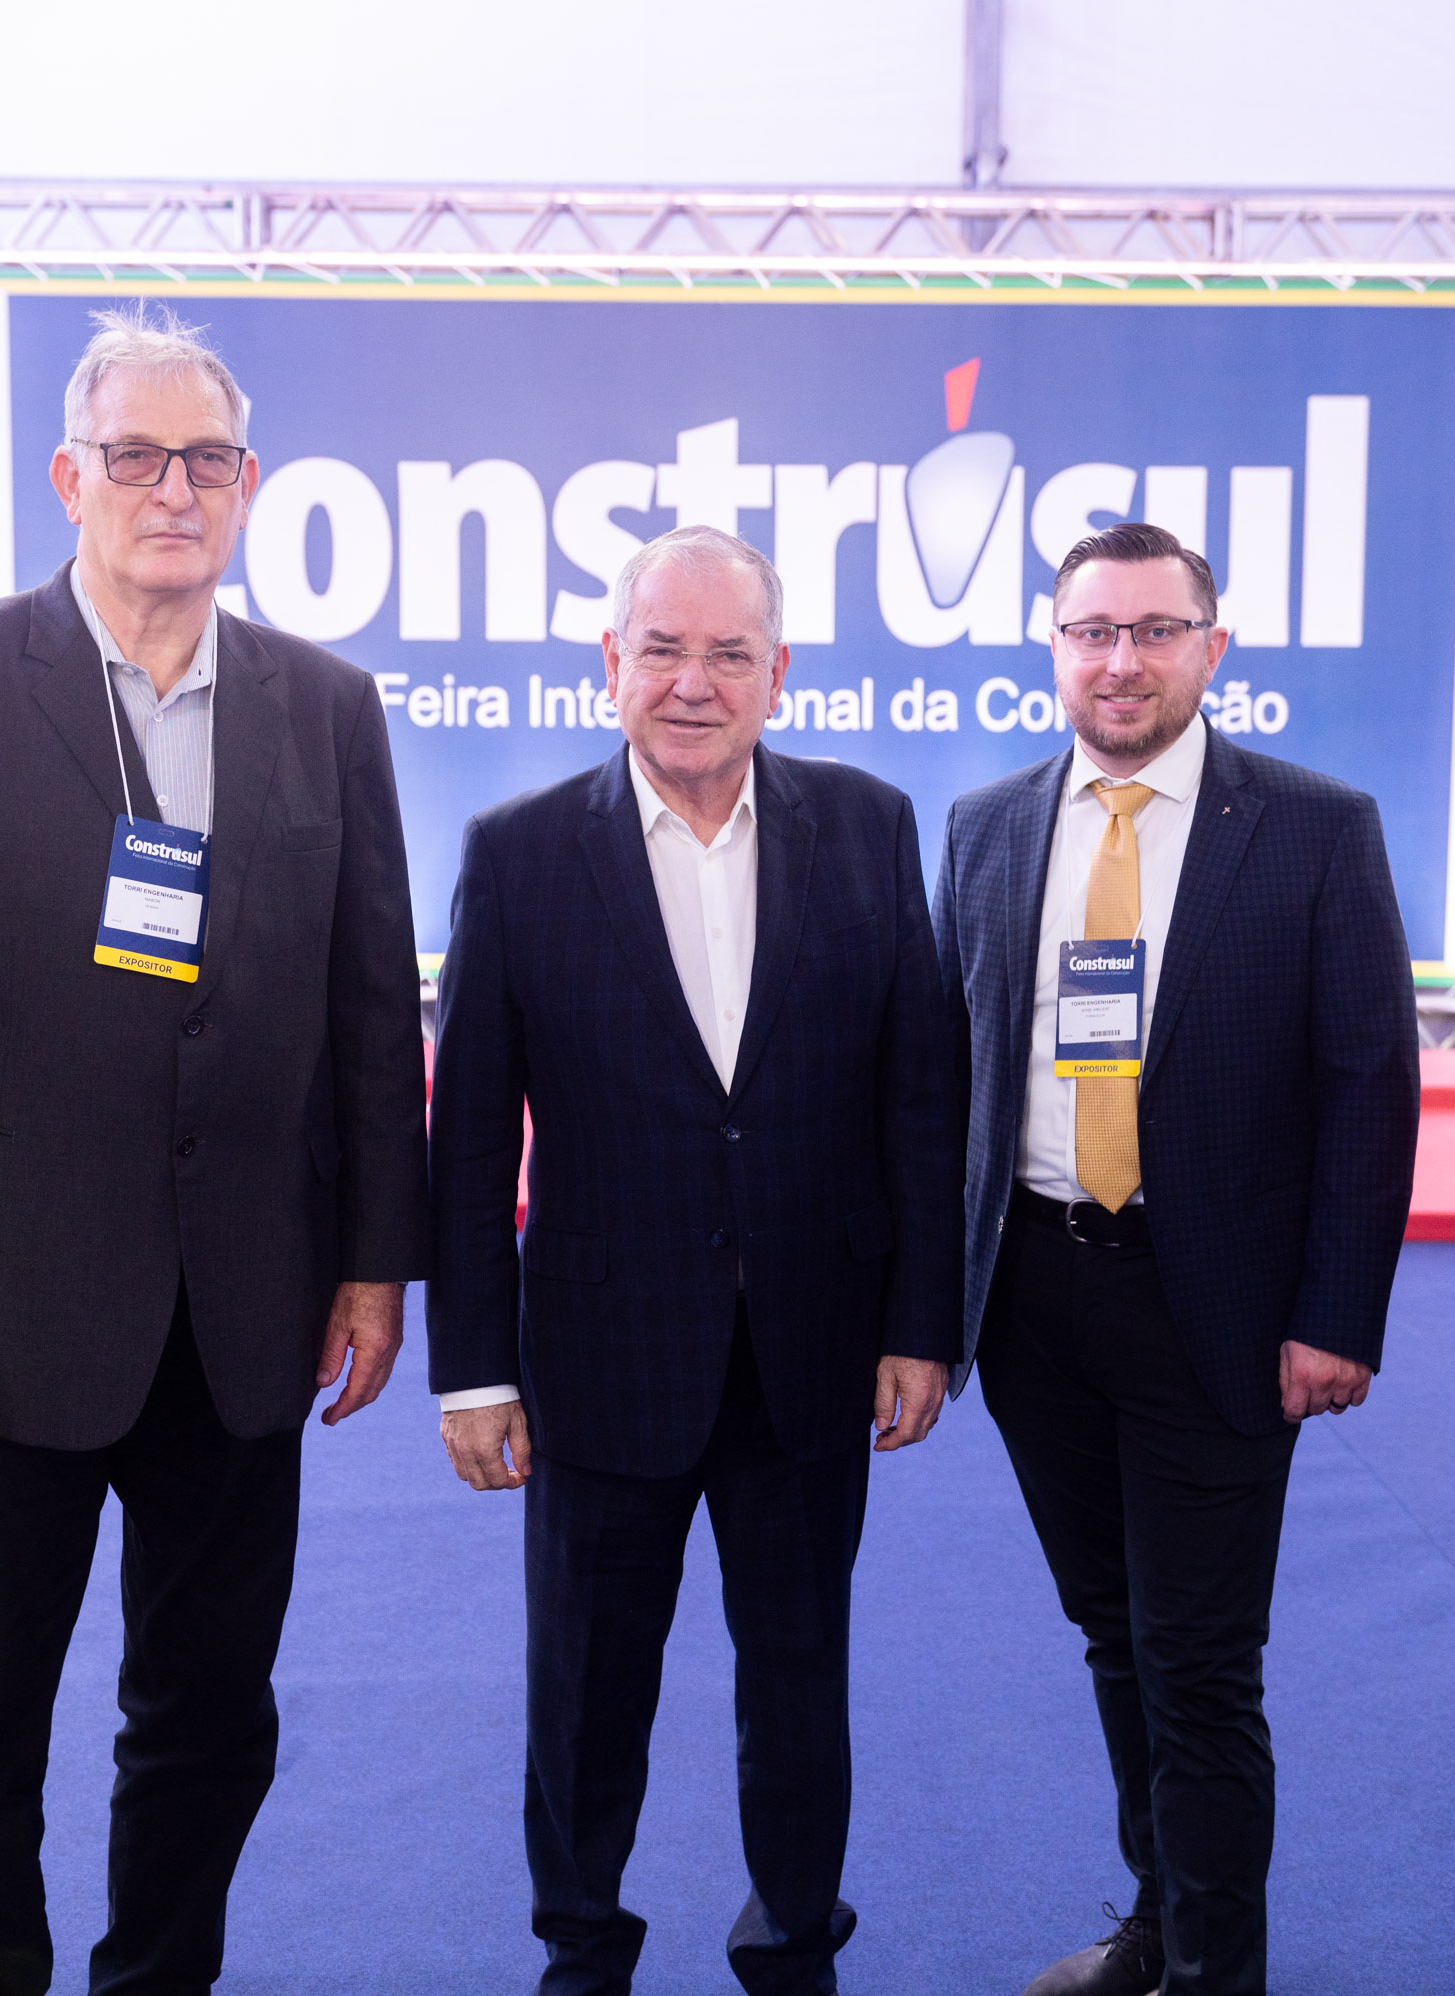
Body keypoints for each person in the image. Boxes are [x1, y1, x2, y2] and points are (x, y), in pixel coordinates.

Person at [0, 305, 430, 1995]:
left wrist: (376, 1263)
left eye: (207, 460)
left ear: (248, 484)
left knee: (211, 1719)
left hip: (245, 1318)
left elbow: (373, 1010)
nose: (174, 490)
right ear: (69, 479)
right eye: (136, 457)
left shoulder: (326, 705)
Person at [426, 525, 960, 1996]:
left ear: (780, 673)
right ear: (612, 663)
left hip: (813, 1352)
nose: (694, 682)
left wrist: (921, 1323)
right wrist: (471, 1372)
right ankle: (582, 1948)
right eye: (662, 649)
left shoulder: (869, 825)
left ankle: (793, 1943)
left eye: (730, 653)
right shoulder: (520, 852)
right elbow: (468, 1143)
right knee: (586, 1694)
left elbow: (919, 1101)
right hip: (599, 1359)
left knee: (800, 1686)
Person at [930, 521, 1418, 1996]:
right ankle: (1156, 1923)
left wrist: (1339, 1313)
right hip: (1031, 1298)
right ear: (1053, 648)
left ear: (1213, 648)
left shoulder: (1317, 826)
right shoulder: (988, 825)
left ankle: (1216, 1974)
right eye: (1094, 631)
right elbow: (948, 1077)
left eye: (1155, 630)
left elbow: (1369, 1085)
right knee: (1111, 1632)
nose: (1122, 660)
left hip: (1218, 1309)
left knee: (1199, 1662)